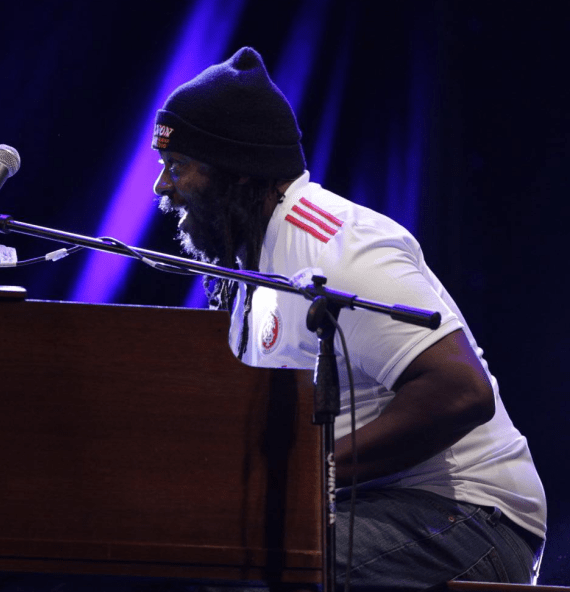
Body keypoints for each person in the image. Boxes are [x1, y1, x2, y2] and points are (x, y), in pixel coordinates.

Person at [151, 47, 546, 589]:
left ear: (237, 172)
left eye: (177, 166)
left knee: (237, 563)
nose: (162, 186)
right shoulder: (256, 265)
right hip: (377, 508)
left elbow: (461, 392)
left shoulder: (334, 246)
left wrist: (309, 473)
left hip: (471, 520)